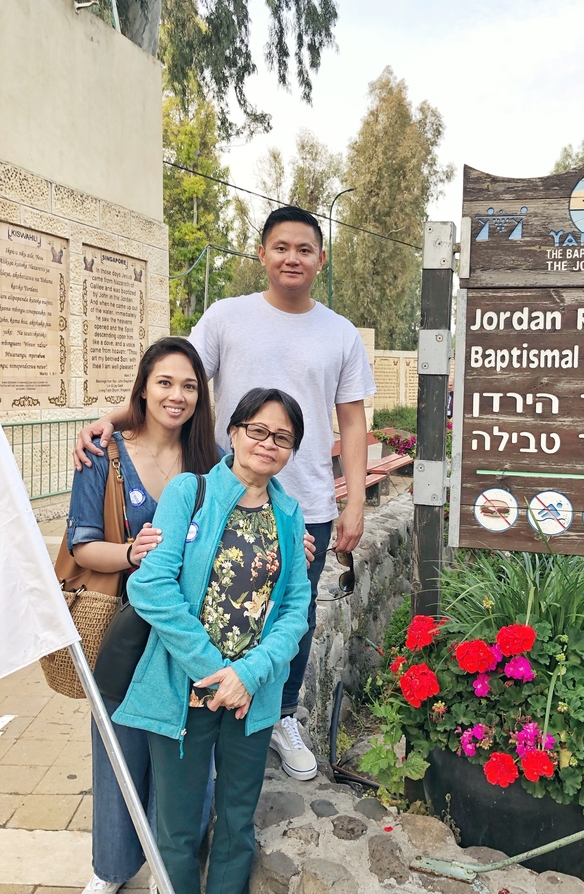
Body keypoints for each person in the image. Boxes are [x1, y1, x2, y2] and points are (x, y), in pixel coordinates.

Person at [75, 206, 376, 780]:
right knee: (202, 607)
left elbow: (353, 422)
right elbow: (174, 379)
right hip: (222, 500)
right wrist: (111, 419)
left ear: (321, 259)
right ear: (261, 254)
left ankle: (279, 714)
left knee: (293, 614)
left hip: (304, 505)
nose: (293, 258)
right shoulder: (225, 318)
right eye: (281, 247)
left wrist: (354, 502)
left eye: (305, 249)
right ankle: (201, 709)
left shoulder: (339, 333)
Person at [112, 388, 311, 894]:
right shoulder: (189, 493)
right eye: (258, 430)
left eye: (283, 438)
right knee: (177, 830)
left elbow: (295, 607)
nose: (268, 444)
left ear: (292, 450)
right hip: (186, 689)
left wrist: (248, 673)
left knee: (237, 825)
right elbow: (150, 587)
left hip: (251, 696)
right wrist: (212, 667)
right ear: (235, 432)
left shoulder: (288, 515)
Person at [67, 337, 220, 894]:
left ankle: (169, 862)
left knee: (184, 747)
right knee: (119, 745)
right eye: (165, 382)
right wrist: (133, 554)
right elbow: (83, 545)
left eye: (189, 385)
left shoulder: (212, 464)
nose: (176, 396)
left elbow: (250, 517)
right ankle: (110, 867)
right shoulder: (105, 454)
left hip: (189, 632)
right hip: (124, 631)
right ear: (144, 387)